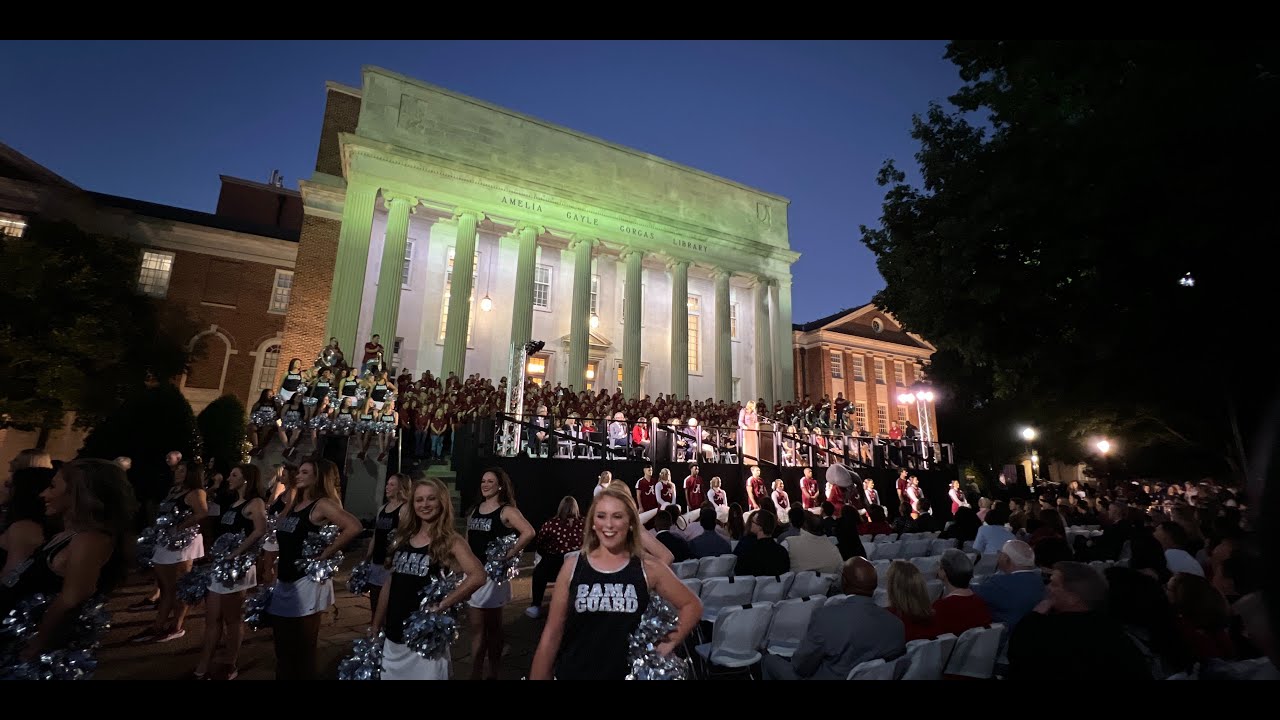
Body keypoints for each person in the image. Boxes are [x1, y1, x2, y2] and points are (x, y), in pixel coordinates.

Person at [529, 485, 701, 680]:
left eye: (617, 516)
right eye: (601, 516)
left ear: (630, 523)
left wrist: (666, 644)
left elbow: (692, 605)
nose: (608, 524)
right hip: (575, 671)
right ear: (592, 523)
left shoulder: (648, 567)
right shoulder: (572, 566)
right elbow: (552, 634)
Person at [4, 460, 136, 663]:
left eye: (52, 487)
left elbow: (72, 598)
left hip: (30, 648)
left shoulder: (90, 539)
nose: (43, 494)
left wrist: (37, 644)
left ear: (78, 493)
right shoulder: (71, 533)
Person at [372, 478, 486, 680]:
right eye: (419, 500)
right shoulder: (403, 537)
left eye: (431, 499)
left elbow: (478, 575)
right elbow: (391, 583)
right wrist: (376, 624)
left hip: (425, 637)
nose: (424, 505)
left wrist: (443, 605)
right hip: (394, 632)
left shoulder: (450, 540)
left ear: (442, 502)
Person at [268, 458, 363, 680]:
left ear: (317, 477)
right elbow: (277, 525)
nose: (298, 476)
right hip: (285, 578)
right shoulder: (296, 502)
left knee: (303, 647)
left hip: (306, 582)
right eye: (298, 472)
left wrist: (327, 552)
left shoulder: (322, 504)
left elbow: (354, 526)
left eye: (304, 472)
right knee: (281, 644)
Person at [761, 557, 905, 680]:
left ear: (844, 583)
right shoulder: (896, 625)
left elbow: (801, 667)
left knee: (768, 660)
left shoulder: (826, 617)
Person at [194, 464, 267, 680]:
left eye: (234, 475)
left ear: (247, 479)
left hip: (236, 568)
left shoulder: (255, 502)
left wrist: (236, 552)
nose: (229, 478)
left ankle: (229, 663)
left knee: (233, 619)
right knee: (212, 618)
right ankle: (203, 666)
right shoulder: (235, 502)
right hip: (222, 565)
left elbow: (261, 530)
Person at [466, 468, 536, 680]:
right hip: (474, 574)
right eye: (483, 480)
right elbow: (468, 537)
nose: (485, 484)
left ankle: (492, 672)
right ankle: (476, 671)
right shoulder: (475, 509)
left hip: (493, 577)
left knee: (494, 628)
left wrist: (510, 553)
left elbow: (529, 531)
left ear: (500, 486)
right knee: (477, 628)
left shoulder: (506, 511)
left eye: (490, 481)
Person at [132, 460, 207, 644]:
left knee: (178, 587)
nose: (177, 473)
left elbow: (202, 512)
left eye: (182, 470)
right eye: (177, 470)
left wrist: (179, 527)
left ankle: (175, 627)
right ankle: (158, 626)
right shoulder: (174, 490)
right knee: (166, 588)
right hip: (165, 542)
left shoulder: (196, 492)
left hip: (180, 545)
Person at [526, 496, 584, 619]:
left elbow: (540, 543)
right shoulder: (585, 523)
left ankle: (536, 605)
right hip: (578, 566)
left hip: (555, 565)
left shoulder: (551, 524)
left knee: (538, 574)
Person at [365, 474, 411, 622]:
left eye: (392, 484)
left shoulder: (404, 509)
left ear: (400, 487)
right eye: (387, 484)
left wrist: (391, 555)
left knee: (388, 600)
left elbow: (403, 535)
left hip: (391, 562)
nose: (387, 487)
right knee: (374, 598)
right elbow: (376, 535)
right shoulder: (382, 509)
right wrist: (368, 556)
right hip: (377, 560)